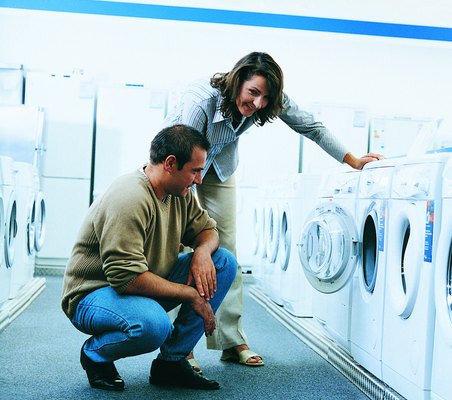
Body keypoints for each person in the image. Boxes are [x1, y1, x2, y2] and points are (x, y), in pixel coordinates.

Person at [164, 51, 383, 370]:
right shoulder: (201, 101)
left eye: (266, 97)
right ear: (238, 80)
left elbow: (313, 127)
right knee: (182, 249)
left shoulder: (267, 98)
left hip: (219, 167)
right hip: (180, 165)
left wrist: (351, 160)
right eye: (253, 93)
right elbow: (181, 149)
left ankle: (231, 338)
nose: (258, 104)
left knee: (227, 252)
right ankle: (181, 346)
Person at [61, 124, 238, 391]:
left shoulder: (179, 193)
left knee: (222, 262)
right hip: (94, 294)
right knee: (154, 325)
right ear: (170, 163)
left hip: (144, 280)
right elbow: (126, 278)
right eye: (195, 171)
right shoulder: (130, 197)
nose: (199, 180)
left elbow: (208, 230)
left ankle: (172, 363)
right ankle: (95, 355)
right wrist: (189, 295)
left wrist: (201, 252)